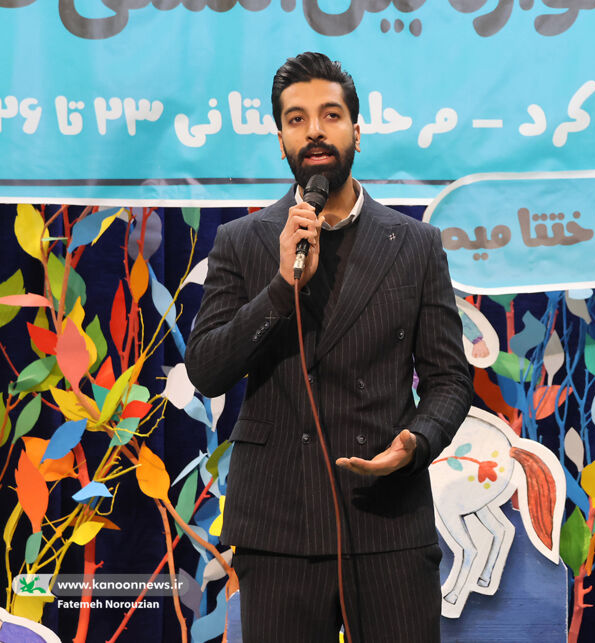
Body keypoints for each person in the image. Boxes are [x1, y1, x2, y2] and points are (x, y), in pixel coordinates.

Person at [184, 51, 472, 643]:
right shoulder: (242, 241)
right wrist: (280, 288)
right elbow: (207, 369)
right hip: (279, 526)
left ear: (357, 133)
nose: (314, 130)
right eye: (296, 119)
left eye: (330, 115)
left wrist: (415, 443)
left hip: (387, 518)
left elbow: (449, 379)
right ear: (281, 142)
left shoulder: (415, 244)